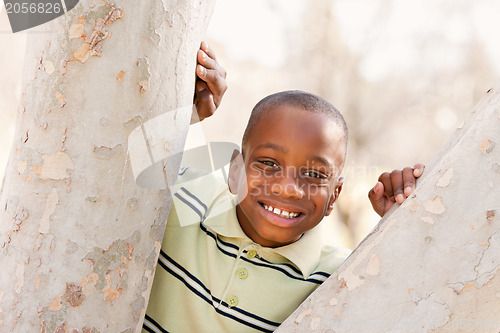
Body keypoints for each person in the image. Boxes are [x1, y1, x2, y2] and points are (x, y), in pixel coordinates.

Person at [142, 42, 424, 333]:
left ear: (333, 198)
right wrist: (187, 111)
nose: (288, 189)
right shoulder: (185, 199)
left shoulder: (339, 279)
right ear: (235, 172)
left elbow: (409, 304)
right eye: (268, 163)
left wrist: (402, 228)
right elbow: (122, 167)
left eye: (315, 174)